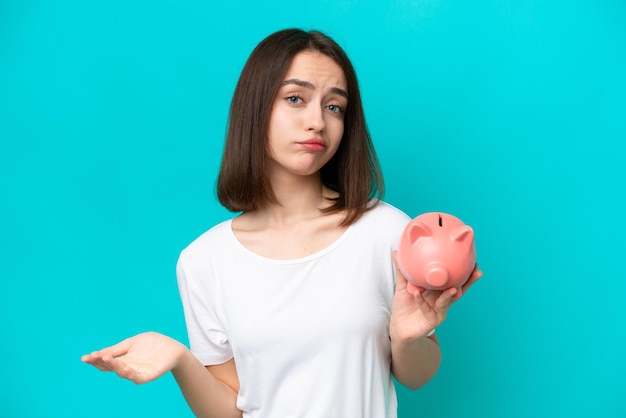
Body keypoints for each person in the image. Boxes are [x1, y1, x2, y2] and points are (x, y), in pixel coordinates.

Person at [82, 28, 482, 418]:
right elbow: (230, 410)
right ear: (255, 109)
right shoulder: (204, 260)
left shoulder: (387, 231)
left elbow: (417, 377)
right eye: (295, 98)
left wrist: (410, 338)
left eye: (334, 106)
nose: (317, 122)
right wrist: (181, 360)